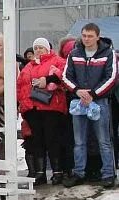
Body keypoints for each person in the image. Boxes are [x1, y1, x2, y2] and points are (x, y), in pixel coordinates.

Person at [62, 23, 116, 188]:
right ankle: (79, 173)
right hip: (79, 101)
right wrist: (78, 91)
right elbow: (66, 76)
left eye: (90, 36)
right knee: (79, 141)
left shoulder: (109, 53)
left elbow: (111, 77)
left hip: (99, 101)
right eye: (84, 35)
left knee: (104, 140)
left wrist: (93, 94)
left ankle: (108, 174)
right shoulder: (74, 54)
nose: (86, 39)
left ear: (97, 37)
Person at [17, 38, 71, 186]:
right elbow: (20, 86)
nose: (38, 50)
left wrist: (46, 80)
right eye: (36, 48)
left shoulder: (58, 61)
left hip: (52, 107)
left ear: (48, 49)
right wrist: (22, 105)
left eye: (41, 47)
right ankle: (40, 173)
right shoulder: (28, 67)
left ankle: (57, 172)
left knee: (52, 139)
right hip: (32, 109)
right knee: (37, 141)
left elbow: (65, 77)